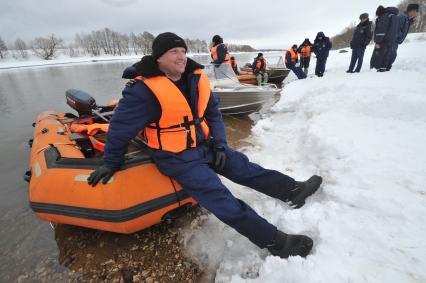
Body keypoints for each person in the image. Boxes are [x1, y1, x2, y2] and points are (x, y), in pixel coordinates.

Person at [87, 32, 323, 259]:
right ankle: (275, 242)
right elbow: (119, 129)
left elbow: (213, 114)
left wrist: (220, 144)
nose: (181, 57)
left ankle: (292, 190)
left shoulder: (195, 78)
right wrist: (110, 162)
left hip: (206, 145)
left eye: (183, 51)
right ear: (158, 57)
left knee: (245, 168)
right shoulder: (143, 91)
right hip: (176, 158)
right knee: (222, 199)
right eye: (173, 52)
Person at [387, 3, 419, 71]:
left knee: (392, 55)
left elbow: (404, 26)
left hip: (395, 40)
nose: (416, 13)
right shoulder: (402, 17)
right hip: (393, 40)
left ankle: (386, 69)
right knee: (392, 55)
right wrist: (398, 37)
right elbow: (396, 28)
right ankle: (384, 69)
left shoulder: (406, 18)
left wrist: (411, 21)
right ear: (411, 11)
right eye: (415, 11)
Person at [370, 6, 399, 72]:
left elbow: (381, 30)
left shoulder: (385, 16)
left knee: (378, 57)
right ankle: (383, 69)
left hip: (383, 41)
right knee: (386, 56)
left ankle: (375, 70)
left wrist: (377, 41)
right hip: (391, 41)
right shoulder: (394, 16)